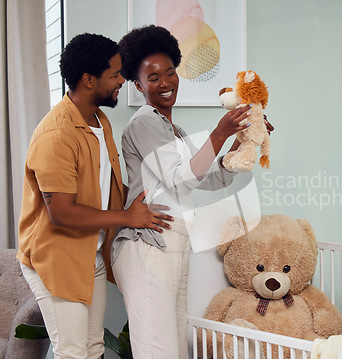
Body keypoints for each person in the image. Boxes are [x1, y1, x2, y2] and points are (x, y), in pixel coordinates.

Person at [112, 25, 272, 358]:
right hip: (148, 248)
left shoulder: (173, 129)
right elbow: (179, 179)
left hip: (173, 244)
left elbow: (205, 178)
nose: (165, 82)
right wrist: (218, 132)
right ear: (138, 84)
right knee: (158, 349)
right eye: (153, 78)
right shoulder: (143, 123)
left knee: (173, 347)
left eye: (170, 73)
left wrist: (241, 139)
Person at [16, 33, 171, 359]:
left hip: (91, 252)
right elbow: (62, 212)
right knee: (73, 352)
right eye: (114, 74)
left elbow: (108, 186)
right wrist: (129, 217)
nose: (122, 80)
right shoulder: (56, 135)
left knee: (93, 348)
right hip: (56, 257)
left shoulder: (100, 121)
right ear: (88, 80)